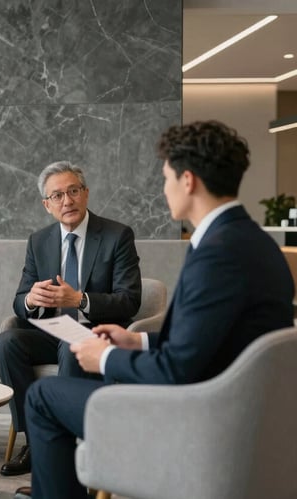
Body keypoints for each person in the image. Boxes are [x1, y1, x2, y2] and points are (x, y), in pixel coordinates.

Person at [16, 120, 295, 499]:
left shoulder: (218, 254)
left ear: (188, 181)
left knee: (43, 396)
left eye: (166, 178)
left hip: (197, 415)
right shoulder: (250, 241)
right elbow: (204, 337)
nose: (164, 190)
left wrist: (108, 357)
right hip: (228, 403)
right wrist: (137, 340)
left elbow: (177, 367)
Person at [0, 161, 142, 477]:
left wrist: (80, 300)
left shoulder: (117, 236)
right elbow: (19, 301)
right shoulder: (39, 241)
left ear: (86, 194)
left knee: (71, 346)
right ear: (47, 205)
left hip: (96, 333)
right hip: (52, 330)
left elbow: (130, 300)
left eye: (73, 191)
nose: (67, 201)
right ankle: (34, 440)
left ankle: (67, 443)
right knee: (7, 341)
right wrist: (32, 300)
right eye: (57, 195)